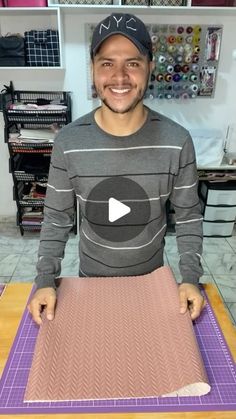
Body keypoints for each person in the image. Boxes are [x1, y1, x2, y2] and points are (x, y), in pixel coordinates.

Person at [28, 13, 205, 326]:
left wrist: (190, 277)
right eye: (107, 63)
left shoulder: (178, 142)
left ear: (151, 66)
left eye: (133, 63)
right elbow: (56, 218)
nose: (119, 77)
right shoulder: (69, 142)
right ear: (93, 70)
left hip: (154, 288)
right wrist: (45, 280)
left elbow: (189, 216)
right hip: (89, 287)